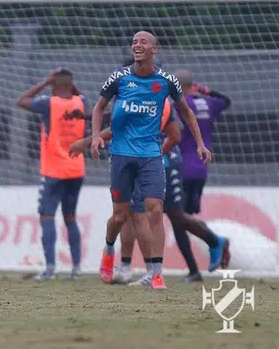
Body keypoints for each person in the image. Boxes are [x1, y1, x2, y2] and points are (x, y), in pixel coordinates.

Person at [91, 31, 211, 290]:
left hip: (151, 154)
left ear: (154, 49)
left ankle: (156, 272)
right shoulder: (119, 77)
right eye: (134, 41)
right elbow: (99, 107)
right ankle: (109, 247)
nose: (137, 45)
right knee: (119, 217)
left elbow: (187, 113)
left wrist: (200, 143)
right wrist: (94, 137)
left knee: (155, 209)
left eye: (143, 42)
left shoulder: (166, 81)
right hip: (121, 154)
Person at [71, 96, 229, 284]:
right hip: (146, 162)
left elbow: (175, 133)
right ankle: (129, 266)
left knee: (165, 215)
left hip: (165, 163)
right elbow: (118, 117)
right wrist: (88, 117)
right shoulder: (139, 97)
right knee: (132, 213)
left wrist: (153, 157)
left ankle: (210, 244)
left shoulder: (160, 99)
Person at [17, 68, 87, 281]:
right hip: (76, 169)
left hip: (54, 170)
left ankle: (50, 268)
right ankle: (76, 268)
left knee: (47, 217)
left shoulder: (49, 103)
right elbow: (76, 93)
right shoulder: (82, 102)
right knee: (71, 218)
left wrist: (45, 82)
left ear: (53, 85)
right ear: (72, 84)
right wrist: (67, 83)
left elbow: (22, 101)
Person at [173, 70, 231, 217]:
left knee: (179, 216)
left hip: (182, 168)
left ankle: (211, 240)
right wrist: (205, 90)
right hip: (201, 169)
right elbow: (226, 101)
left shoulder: (180, 105)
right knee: (189, 214)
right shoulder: (209, 103)